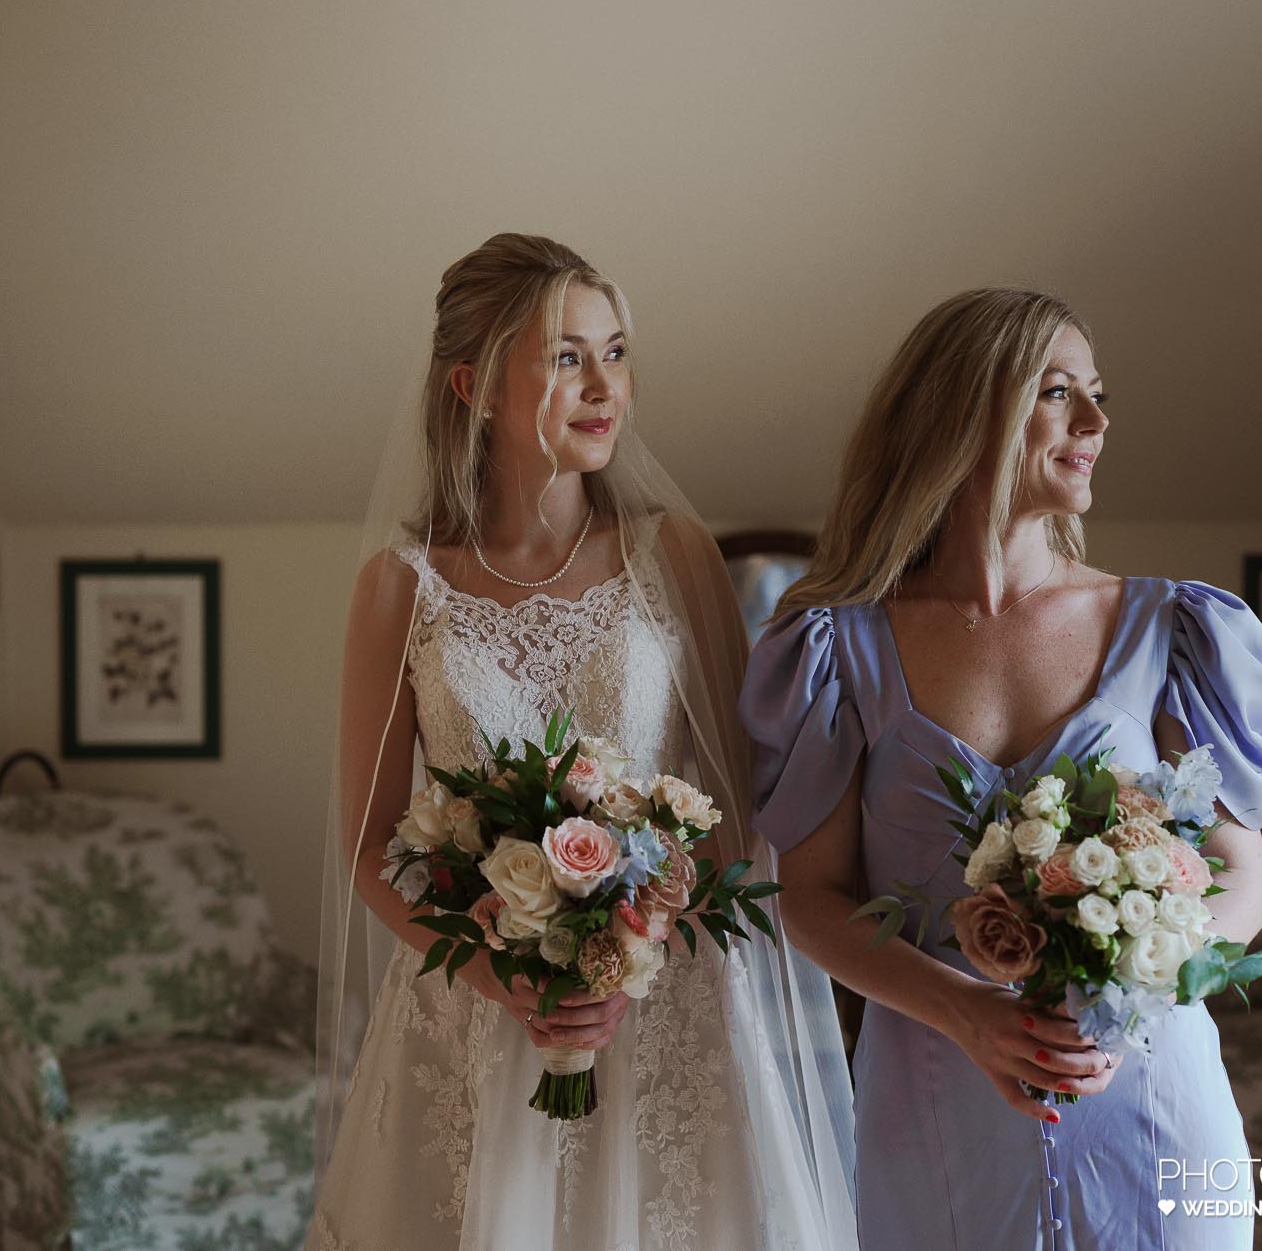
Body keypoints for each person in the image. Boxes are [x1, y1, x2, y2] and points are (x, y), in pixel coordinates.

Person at [308, 234, 856, 1251]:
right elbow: (372, 842)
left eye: (614, 352)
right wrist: (496, 977)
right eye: (566, 357)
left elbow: (738, 812)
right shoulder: (400, 587)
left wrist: (634, 941)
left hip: (667, 1006)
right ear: (472, 385)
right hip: (468, 1009)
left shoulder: (673, 555)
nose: (605, 385)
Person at [740, 287, 1262, 1250]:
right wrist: (961, 1008)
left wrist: (1137, 990)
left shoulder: (1173, 630)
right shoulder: (838, 650)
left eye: (1098, 394)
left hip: (1150, 1100)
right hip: (936, 1111)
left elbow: (1244, 875)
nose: (1097, 423)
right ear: (965, 411)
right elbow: (809, 895)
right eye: (1059, 391)